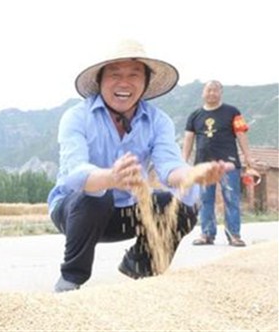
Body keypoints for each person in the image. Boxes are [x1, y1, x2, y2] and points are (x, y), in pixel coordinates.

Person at [47, 39, 234, 292]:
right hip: (75, 212)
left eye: (134, 75)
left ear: (145, 83)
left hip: (128, 212)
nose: (124, 83)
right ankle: (71, 279)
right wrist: (111, 177)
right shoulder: (76, 116)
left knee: (180, 205)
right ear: (100, 80)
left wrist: (194, 174)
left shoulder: (158, 121)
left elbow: (170, 168)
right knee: (96, 196)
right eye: (115, 74)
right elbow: (74, 175)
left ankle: (143, 269)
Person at [182, 80, 254, 247]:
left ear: (221, 93)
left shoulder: (233, 112)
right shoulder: (194, 115)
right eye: (209, 90)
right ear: (203, 93)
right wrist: (183, 161)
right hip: (203, 165)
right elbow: (188, 139)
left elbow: (241, 134)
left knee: (231, 199)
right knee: (206, 200)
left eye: (215, 90)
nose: (212, 93)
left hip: (228, 164)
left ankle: (234, 235)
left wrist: (248, 157)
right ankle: (207, 234)